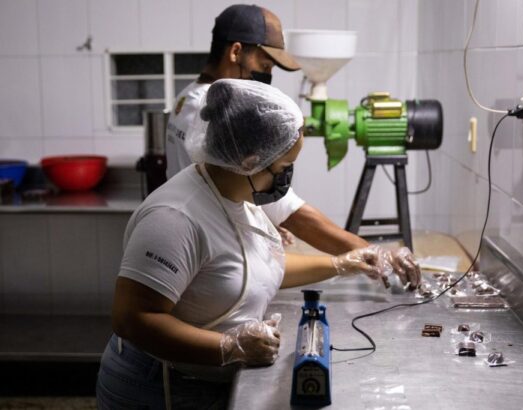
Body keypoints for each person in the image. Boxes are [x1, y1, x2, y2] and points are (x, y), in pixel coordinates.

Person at [96, 79, 397, 409]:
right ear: (251, 161)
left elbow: (259, 266)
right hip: (158, 388)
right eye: (283, 168)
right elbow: (133, 318)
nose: (286, 178)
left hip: (205, 380)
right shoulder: (175, 218)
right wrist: (228, 345)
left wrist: (343, 263)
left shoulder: (239, 198)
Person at [166, 4, 421, 289]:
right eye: (264, 67)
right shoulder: (211, 113)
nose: (266, 78)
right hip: (209, 267)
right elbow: (290, 211)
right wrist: (373, 251)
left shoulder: (188, 97)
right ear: (236, 52)